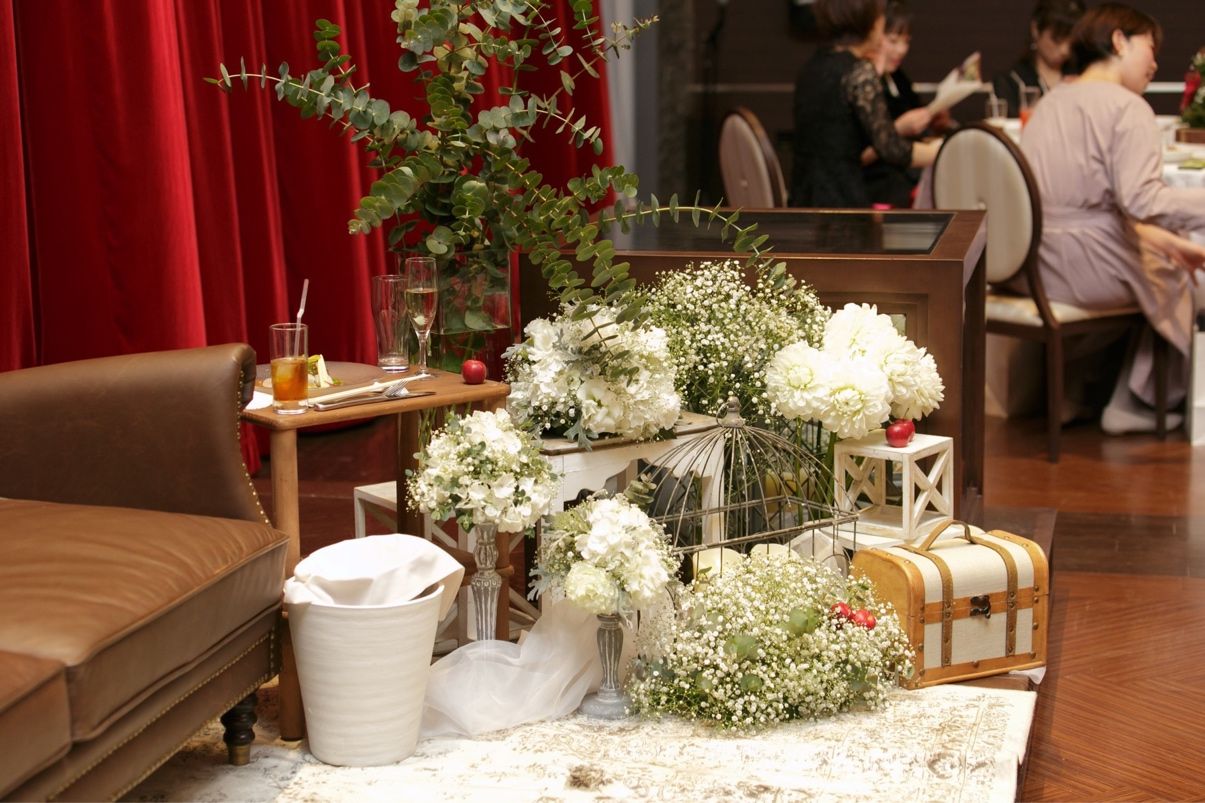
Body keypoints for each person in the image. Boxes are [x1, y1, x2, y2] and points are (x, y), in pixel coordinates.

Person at [1018, 3, 1205, 433]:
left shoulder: (1050, 102)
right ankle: (1141, 402)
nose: (1155, 64)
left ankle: (1081, 393)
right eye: (1151, 48)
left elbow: (1099, 206)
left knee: (1162, 256)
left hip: (1035, 260)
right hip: (1086, 265)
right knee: (1180, 278)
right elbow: (1143, 200)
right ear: (1119, 41)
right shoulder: (1128, 107)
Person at [789, 0, 939, 208]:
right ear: (869, 22)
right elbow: (891, 148)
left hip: (803, 200)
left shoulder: (812, 66)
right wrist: (942, 151)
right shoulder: (859, 72)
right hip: (842, 204)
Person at [863, 0, 947, 208]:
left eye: (906, 42)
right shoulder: (862, 82)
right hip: (878, 183)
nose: (901, 50)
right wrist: (899, 128)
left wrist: (933, 120)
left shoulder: (897, 77)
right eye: (893, 41)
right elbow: (858, 154)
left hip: (905, 172)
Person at [991, 0, 1085, 118]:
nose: (1064, 50)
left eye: (1071, 42)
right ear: (1035, 30)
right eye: (1057, 40)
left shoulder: (1084, 76)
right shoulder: (1011, 81)